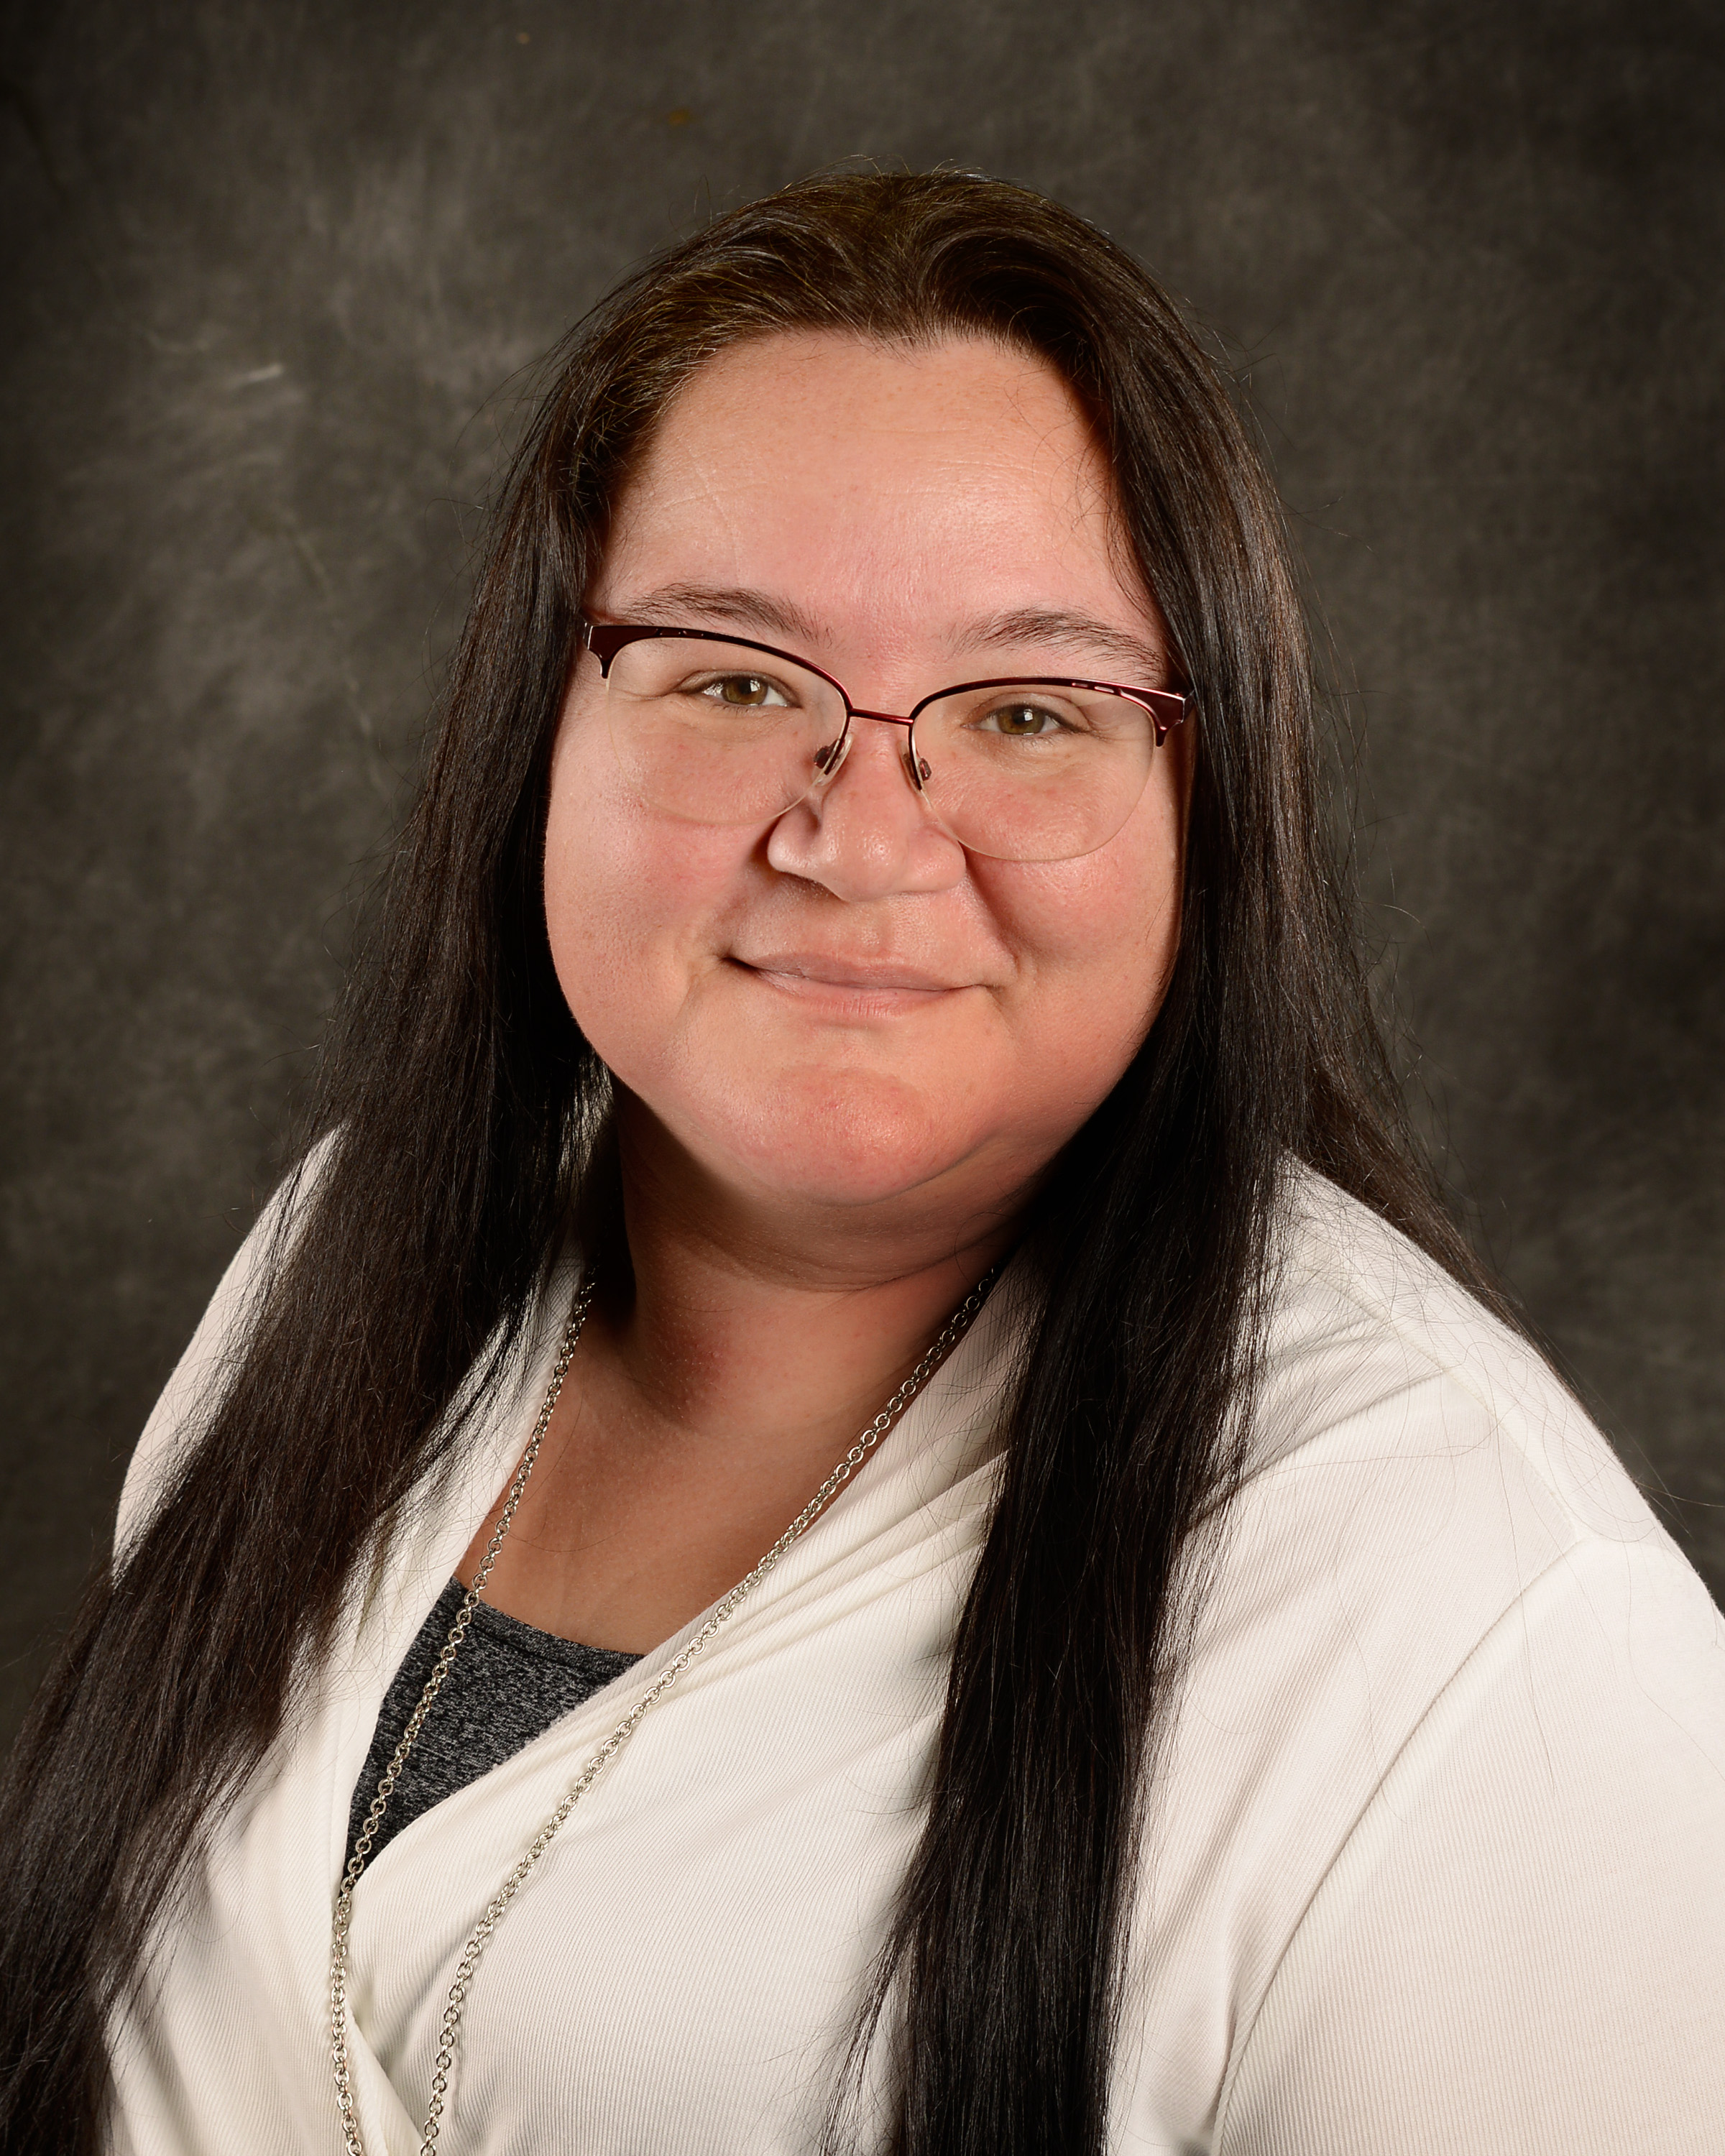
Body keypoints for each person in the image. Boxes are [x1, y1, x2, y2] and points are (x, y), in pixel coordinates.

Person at [1, 170, 1720, 2156]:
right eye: (735, 679)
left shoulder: (1479, 1620)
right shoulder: (341, 1263)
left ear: (1211, 796)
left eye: (1024, 712)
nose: (861, 837)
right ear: (541, 719)